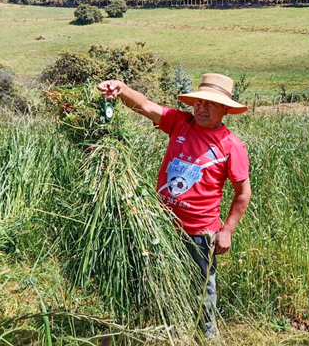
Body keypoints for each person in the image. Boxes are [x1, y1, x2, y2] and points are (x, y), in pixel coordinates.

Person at [98, 73, 252, 338]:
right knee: (153, 278)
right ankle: (157, 328)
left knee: (201, 287)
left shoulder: (231, 145)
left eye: (211, 104)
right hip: (160, 224)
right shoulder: (180, 123)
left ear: (225, 109)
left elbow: (242, 193)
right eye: (199, 102)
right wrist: (121, 89)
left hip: (200, 232)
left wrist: (226, 231)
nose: (202, 108)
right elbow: (145, 105)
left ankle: (205, 336)